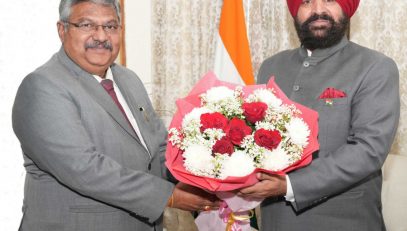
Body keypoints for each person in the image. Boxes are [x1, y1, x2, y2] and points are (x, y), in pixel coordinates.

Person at [12, 1, 219, 230]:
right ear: (62, 30)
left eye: (111, 26)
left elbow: (161, 149)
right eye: (87, 25)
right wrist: (169, 196)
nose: (101, 36)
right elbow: (85, 169)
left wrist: (208, 176)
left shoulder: (128, 80)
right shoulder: (43, 86)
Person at [238, 0, 400, 230]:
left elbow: (368, 149)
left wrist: (290, 185)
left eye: (329, 0)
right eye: (306, 2)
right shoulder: (271, 66)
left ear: (346, 7)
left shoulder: (375, 67)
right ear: (295, 11)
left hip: (343, 221)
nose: (317, 10)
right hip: (274, 220)